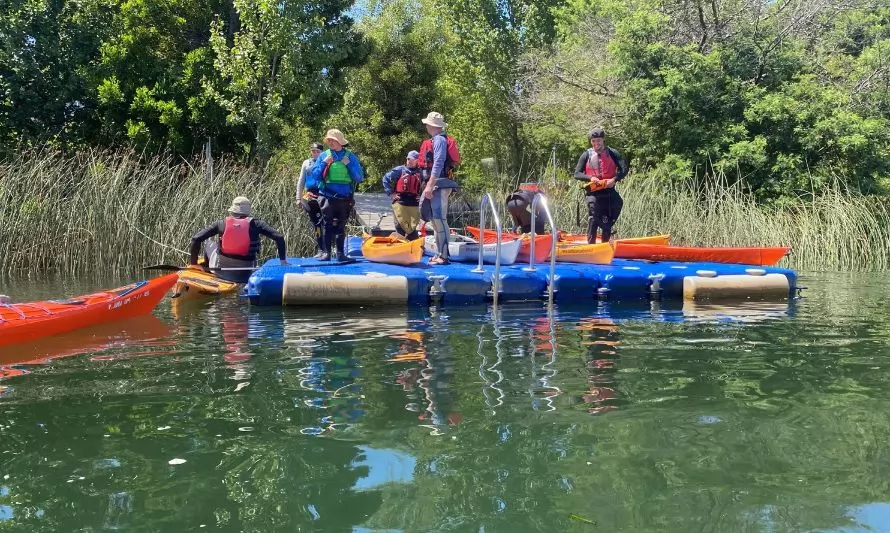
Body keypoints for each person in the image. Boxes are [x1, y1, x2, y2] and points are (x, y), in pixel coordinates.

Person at [189, 196, 288, 283]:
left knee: (209, 243)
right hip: (245, 273)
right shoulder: (257, 224)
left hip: (221, 272)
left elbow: (196, 239)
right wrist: (283, 261)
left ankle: (206, 269)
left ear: (233, 210)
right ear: (248, 211)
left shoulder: (221, 223)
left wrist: (193, 263)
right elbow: (279, 237)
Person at [306, 129, 364, 261]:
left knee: (341, 226)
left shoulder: (350, 156)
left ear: (340, 142)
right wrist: (324, 163)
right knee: (327, 224)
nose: (331, 142)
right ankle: (326, 254)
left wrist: (348, 165)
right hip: (327, 196)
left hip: (344, 198)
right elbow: (315, 175)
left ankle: (340, 254)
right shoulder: (324, 156)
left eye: (333, 140)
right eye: (329, 140)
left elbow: (359, 177)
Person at [573, 127, 629, 244]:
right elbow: (577, 174)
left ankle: (605, 243)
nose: (596, 143)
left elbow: (624, 170)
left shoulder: (613, 153)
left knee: (615, 208)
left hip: (608, 191)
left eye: (598, 140)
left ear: (603, 140)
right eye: (593, 141)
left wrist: (614, 179)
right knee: (593, 217)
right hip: (593, 193)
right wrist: (590, 178)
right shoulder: (586, 154)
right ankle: (591, 245)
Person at [418, 111, 461, 265]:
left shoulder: (439, 140)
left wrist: (430, 184)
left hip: (439, 184)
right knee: (436, 220)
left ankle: (443, 255)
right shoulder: (437, 139)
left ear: (431, 125)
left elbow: (438, 162)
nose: (426, 126)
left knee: (439, 218)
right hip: (437, 183)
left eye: (427, 124)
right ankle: (439, 253)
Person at [382, 150, 423, 240]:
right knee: (400, 228)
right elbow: (385, 179)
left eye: (412, 159)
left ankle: (413, 247)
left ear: (417, 160)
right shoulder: (400, 170)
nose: (409, 161)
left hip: (414, 203)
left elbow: (428, 184)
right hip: (400, 202)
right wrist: (391, 193)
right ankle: (400, 248)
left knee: (412, 230)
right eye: (408, 159)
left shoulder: (421, 172)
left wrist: (422, 196)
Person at [298, 142, 325, 258]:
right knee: (316, 224)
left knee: (324, 222)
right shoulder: (306, 163)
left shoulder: (325, 162)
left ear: (322, 152)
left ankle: (327, 248)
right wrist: (298, 197)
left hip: (322, 194)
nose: (315, 153)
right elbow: (301, 181)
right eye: (313, 151)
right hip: (309, 195)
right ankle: (320, 249)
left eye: (317, 151)